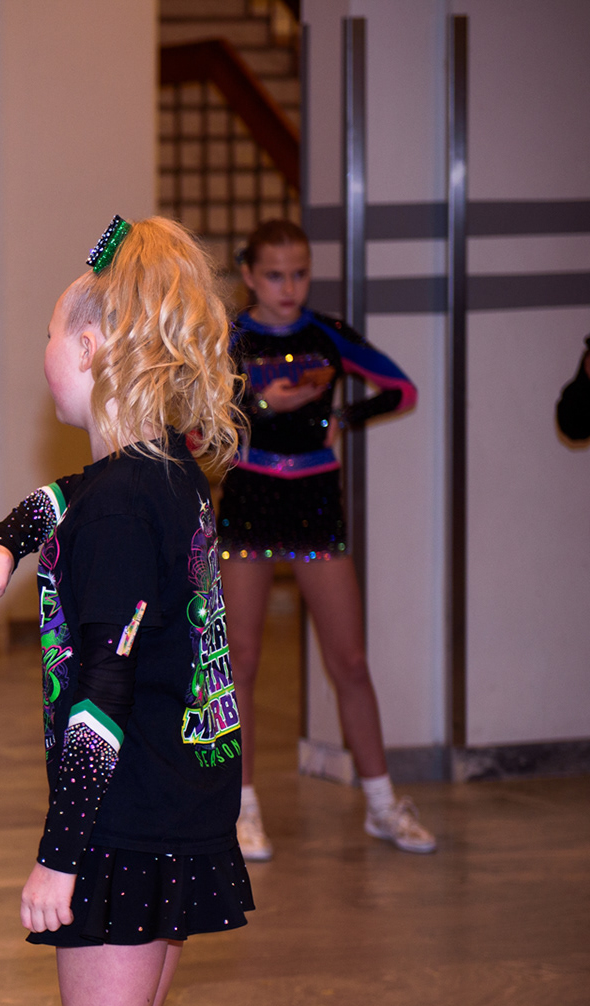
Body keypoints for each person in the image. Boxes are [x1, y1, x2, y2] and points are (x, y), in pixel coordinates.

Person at [0, 214, 253, 1006]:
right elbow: (68, 496)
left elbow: (104, 694)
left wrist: (61, 854)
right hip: (182, 808)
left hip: (121, 826)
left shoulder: (121, 506)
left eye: (52, 331)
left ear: (91, 347)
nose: (42, 350)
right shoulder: (163, 473)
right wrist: (8, 536)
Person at [221, 218, 435, 859]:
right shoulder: (227, 337)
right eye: (275, 275)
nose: (289, 287)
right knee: (239, 661)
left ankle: (382, 805)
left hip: (316, 504)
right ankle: (241, 809)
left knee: (351, 661)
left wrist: (340, 414)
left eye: (300, 273)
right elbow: (200, 414)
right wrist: (262, 408)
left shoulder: (328, 334)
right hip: (250, 502)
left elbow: (401, 389)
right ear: (250, 275)